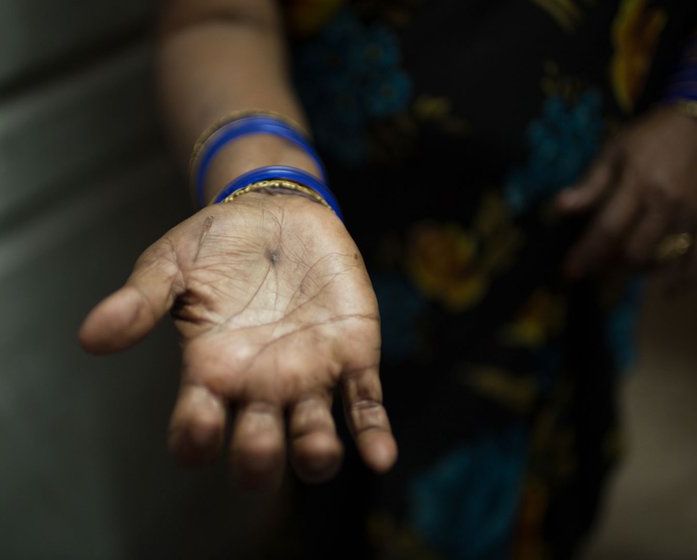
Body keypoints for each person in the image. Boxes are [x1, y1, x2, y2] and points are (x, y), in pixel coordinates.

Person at [80, 0, 697, 557]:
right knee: (340, 485)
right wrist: (266, 179)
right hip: (352, 252)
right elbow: (220, 16)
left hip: (586, 234)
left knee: (557, 480)